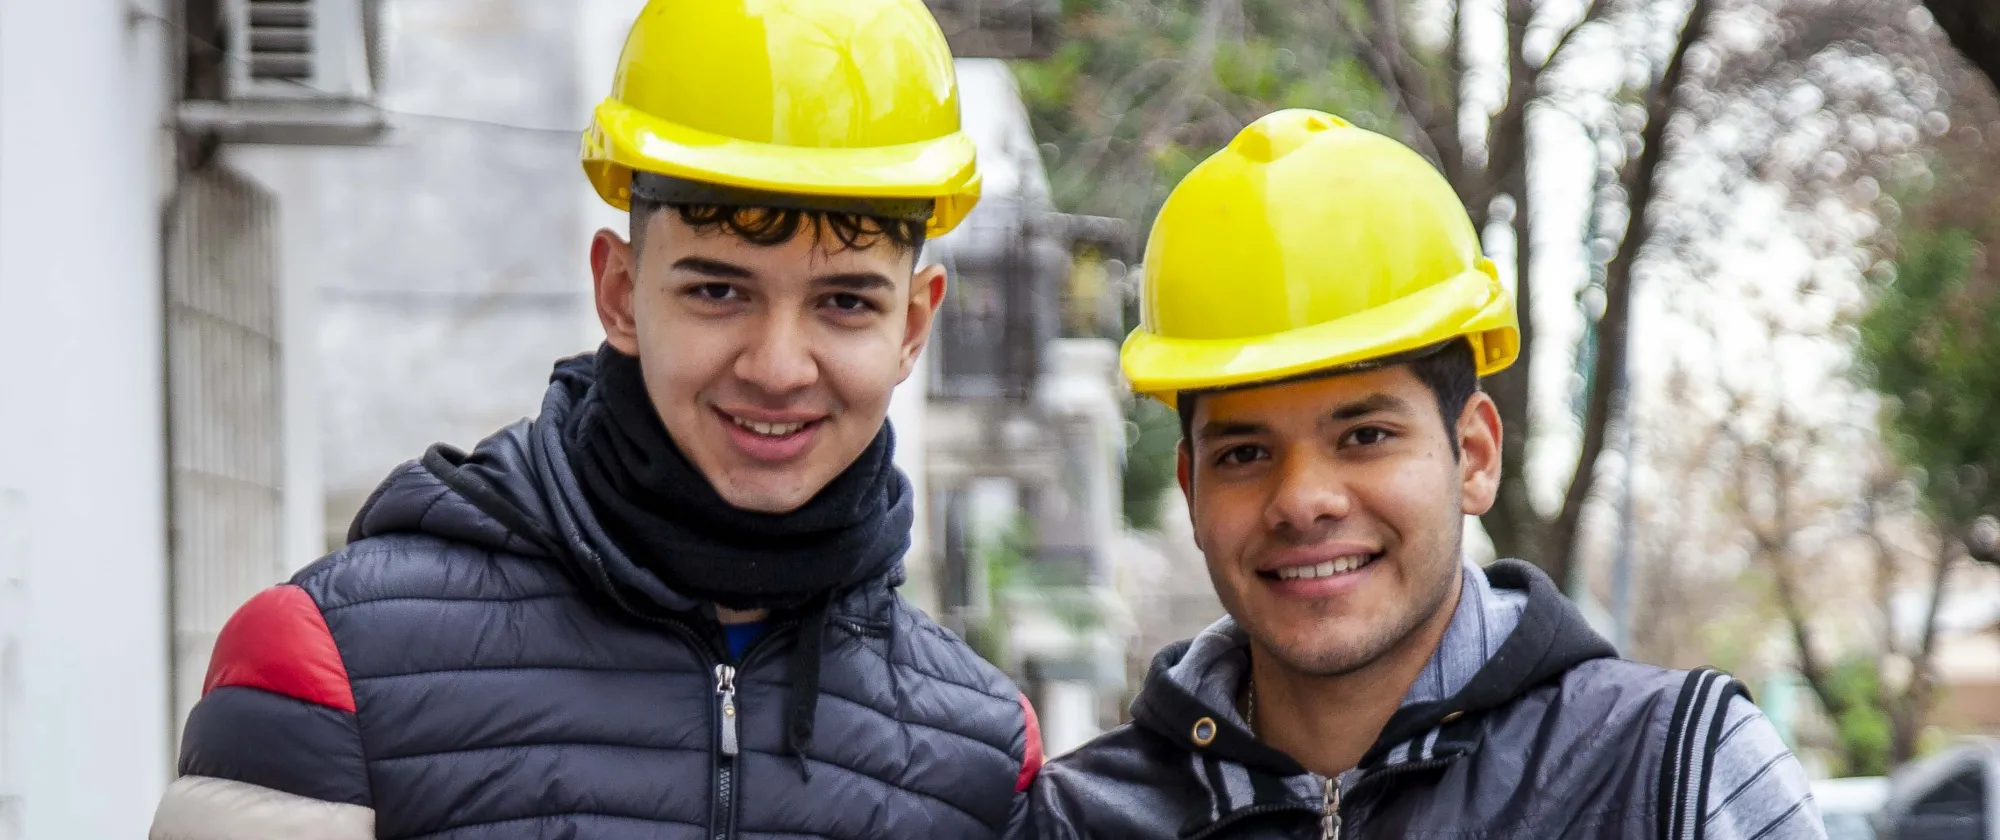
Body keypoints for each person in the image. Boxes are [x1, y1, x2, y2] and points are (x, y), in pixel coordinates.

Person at [148, 1, 1042, 837]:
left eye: (845, 302)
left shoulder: (986, 761)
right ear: (619, 292)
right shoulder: (328, 669)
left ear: (914, 325)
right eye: (719, 290)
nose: (777, 367)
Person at [1028, 109, 1823, 839]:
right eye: (1244, 454)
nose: (1303, 501)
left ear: (1473, 455)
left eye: (1365, 435)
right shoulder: (1080, 819)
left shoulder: (1674, 775)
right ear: (1191, 489)